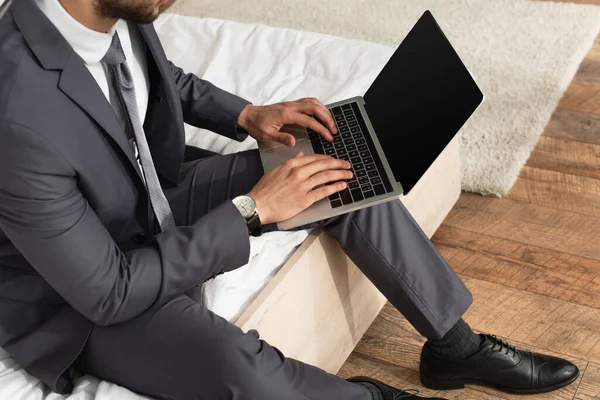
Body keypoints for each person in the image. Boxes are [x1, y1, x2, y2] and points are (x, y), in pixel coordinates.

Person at [0, 0, 580, 399]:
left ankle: (456, 346)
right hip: (81, 298)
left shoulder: (117, 9)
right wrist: (253, 213)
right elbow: (109, 290)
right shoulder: (16, 114)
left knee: (328, 167)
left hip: (150, 200)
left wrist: (248, 115)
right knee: (236, 368)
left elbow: (159, 76)